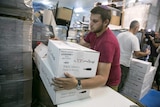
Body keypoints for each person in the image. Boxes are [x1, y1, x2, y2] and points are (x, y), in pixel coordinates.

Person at [52, 5, 121, 91]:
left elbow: (103, 78)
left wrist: (77, 84)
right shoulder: (93, 33)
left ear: (105, 22)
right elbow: (80, 45)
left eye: (95, 21)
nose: (91, 24)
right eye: (91, 20)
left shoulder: (107, 43)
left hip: (108, 84)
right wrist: (61, 43)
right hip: (96, 75)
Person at [117, 20, 150, 92]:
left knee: (114, 82)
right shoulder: (133, 38)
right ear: (136, 27)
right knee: (120, 84)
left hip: (116, 62)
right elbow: (137, 54)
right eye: (138, 29)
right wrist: (146, 53)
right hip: (124, 65)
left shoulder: (120, 35)